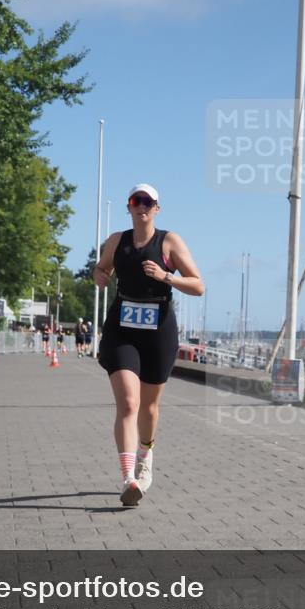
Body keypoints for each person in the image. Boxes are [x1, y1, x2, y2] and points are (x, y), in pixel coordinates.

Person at [94, 183, 205, 507]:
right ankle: (128, 478)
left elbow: (198, 285)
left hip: (158, 331)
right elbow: (102, 268)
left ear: (157, 208)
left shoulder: (169, 242)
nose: (141, 206)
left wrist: (166, 276)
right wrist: (99, 275)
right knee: (129, 403)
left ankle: (146, 454)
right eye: (136, 200)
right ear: (129, 207)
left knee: (149, 407)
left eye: (148, 201)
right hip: (122, 330)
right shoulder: (117, 240)